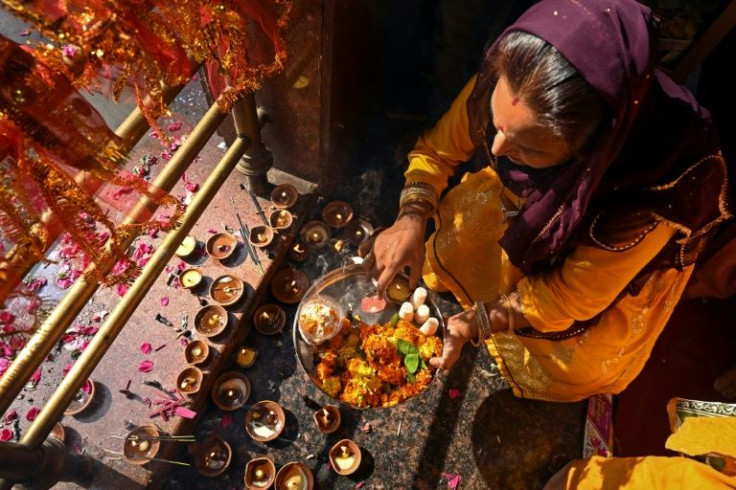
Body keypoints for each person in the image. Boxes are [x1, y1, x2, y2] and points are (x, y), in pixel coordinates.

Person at [371, 0, 732, 402]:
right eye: (496, 124)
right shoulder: (517, 81)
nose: (495, 146)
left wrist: (480, 321)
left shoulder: (647, 198)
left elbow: (567, 296)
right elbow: (438, 152)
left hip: (605, 271)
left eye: (528, 148)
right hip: (546, 208)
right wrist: (411, 217)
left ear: (591, 152)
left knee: (570, 362)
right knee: (463, 234)